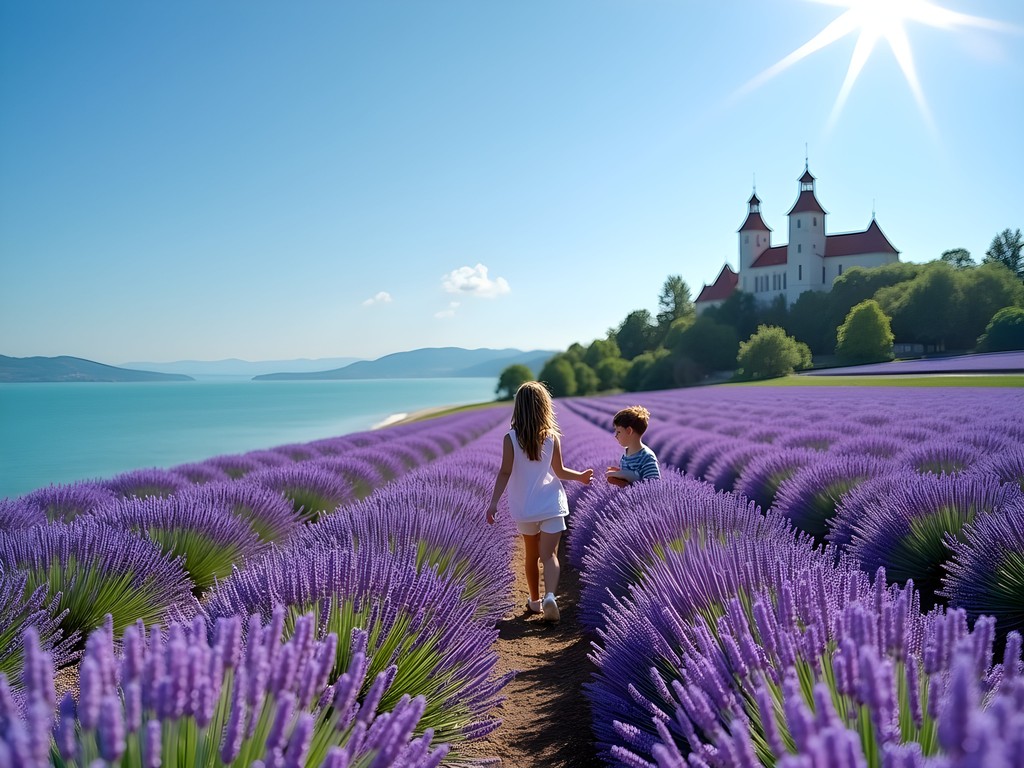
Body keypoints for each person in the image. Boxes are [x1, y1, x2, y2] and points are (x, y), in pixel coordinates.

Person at [485, 381, 594, 622]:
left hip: (525, 508)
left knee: (531, 555)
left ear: (518, 408)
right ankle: (551, 597)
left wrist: (493, 502)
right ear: (544, 407)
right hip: (551, 505)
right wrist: (581, 477)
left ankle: (534, 602)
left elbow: (504, 472)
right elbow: (560, 471)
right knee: (550, 556)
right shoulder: (551, 437)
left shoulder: (510, 439)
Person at [605, 405, 661, 487]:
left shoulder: (647, 456)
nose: (616, 436)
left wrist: (626, 475)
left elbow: (654, 483)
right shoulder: (625, 454)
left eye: (618, 432)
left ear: (629, 431)